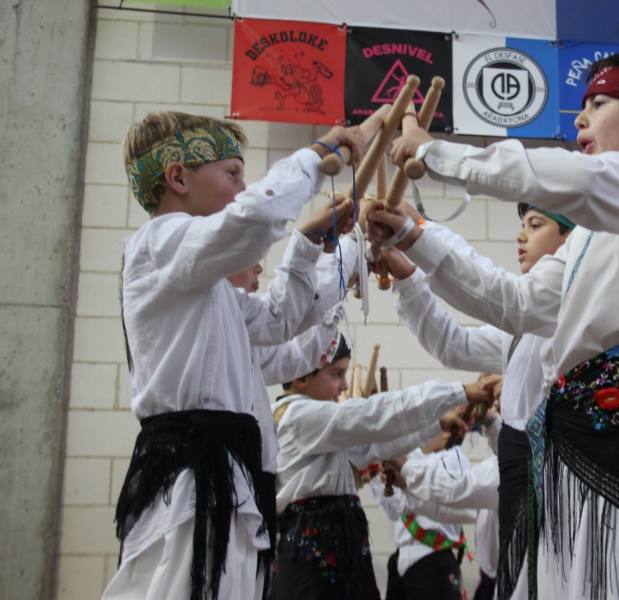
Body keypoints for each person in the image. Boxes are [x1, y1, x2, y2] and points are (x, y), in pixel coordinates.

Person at [370, 51, 619, 599]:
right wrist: (414, 237)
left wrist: (438, 153)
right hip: (576, 437)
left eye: (597, 103)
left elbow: (582, 182)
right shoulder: (594, 235)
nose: (579, 119)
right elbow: (515, 303)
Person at [106, 112, 365, 600]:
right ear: (178, 177)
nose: (242, 187)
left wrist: (318, 248)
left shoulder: (210, 291)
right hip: (191, 471)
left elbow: (281, 322)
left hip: (232, 469)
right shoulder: (155, 246)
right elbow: (255, 217)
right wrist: (319, 153)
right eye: (232, 173)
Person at [382, 203, 573, 599]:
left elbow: (493, 478)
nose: (521, 236)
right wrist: (408, 276)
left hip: (561, 513)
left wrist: (417, 231)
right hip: (527, 522)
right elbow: (454, 344)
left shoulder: (570, 327)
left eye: (535, 225)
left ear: (572, 241)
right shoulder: (525, 333)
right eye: (522, 225)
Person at [269, 334, 496, 600]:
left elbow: (376, 444)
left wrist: (436, 425)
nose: (343, 386)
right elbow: (373, 415)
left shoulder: (321, 425)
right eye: (336, 374)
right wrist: (458, 393)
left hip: (336, 548)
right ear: (301, 376)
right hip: (312, 559)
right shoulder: (298, 417)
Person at [373, 436, 473, 600]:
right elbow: (395, 510)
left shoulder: (454, 457)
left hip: (433, 559)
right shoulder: (410, 453)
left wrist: (405, 464)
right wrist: (376, 479)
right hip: (401, 560)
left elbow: (437, 493)